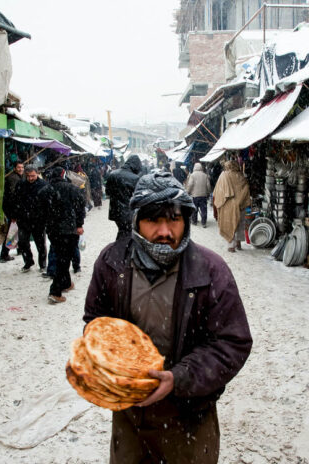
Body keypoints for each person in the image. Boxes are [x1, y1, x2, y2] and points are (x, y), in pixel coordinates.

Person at [83, 172, 252, 463]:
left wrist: (178, 378)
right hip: (130, 419)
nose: (165, 231)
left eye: (173, 219)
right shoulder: (112, 263)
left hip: (189, 419)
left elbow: (232, 342)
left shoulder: (210, 270)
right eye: (153, 220)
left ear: (185, 221)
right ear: (136, 220)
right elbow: (95, 323)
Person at [39, 167, 86, 304]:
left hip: (53, 230)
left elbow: (40, 210)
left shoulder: (45, 191)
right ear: (63, 175)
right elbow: (80, 207)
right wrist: (79, 224)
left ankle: (66, 283)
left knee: (61, 255)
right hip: (69, 230)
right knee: (64, 260)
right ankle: (55, 291)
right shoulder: (72, 189)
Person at [15, 165, 48, 272]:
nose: (30, 178)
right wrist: (16, 214)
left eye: (32, 176)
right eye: (28, 176)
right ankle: (28, 262)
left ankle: (42, 264)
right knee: (23, 242)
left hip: (39, 220)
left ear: (37, 173)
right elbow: (15, 200)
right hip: (23, 220)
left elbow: (47, 203)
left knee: (40, 244)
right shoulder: (20, 184)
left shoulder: (43, 185)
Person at [212, 160, 251, 252]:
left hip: (227, 205)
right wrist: (239, 201)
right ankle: (238, 243)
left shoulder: (224, 175)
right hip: (240, 205)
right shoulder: (241, 176)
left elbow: (218, 191)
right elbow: (246, 189)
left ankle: (231, 245)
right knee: (239, 223)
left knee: (229, 223)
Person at [105, 154, 142, 240]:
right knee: (128, 234)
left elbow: (108, 192)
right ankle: (123, 249)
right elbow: (138, 196)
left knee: (122, 232)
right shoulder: (135, 178)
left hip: (115, 212)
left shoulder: (113, 174)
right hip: (128, 212)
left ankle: (119, 248)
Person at [0, 161, 24, 263]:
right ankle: (4, 254)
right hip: (12, 210)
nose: (21, 169)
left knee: (17, 230)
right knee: (12, 232)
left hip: (14, 209)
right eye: (19, 167)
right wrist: (13, 214)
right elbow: (13, 198)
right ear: (14, 168)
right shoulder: (13, 179)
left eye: (22, 167)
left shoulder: (18, 177)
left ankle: (20, 249)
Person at [186, 162, 211, 227]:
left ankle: (194, 221)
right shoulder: (205, 175)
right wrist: (208, 193)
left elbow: (190, 184)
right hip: (203, 196)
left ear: (194, 167)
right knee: (203, 209)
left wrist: (188, 192)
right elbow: (208, 186)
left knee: (195, 209)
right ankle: (204, 223)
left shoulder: (192, 175)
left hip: (195, 196)